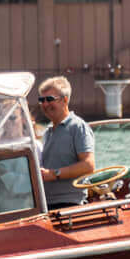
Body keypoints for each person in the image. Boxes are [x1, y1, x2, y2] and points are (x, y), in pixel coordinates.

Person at [34, 76, 94, 207]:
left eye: (50, 99)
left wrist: (54, 174)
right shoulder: (47, 132)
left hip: (70, 203)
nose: (45, 104)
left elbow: (88, 165)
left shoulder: (78, 126)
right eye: (41, 100)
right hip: (47, 204)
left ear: (65, 100)